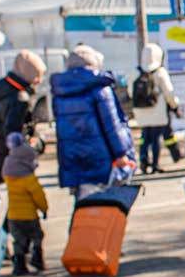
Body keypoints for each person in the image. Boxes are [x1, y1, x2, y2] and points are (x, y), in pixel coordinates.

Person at [53, 44, 135, 201]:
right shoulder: (100, 88)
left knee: (83, 208)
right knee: (104, 207)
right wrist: (121, 153)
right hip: (100, 156)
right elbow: (112, 126)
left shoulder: (60, 93)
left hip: (73, 158)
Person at [0, 50, 45, 181]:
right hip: (16, 161)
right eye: (38, 76)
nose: (40, 81)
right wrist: (33, 144)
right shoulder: (20, 99)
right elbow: (13, 134)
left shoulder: (3, 92)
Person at [131, 42, 183, 175]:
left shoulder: (135, 72)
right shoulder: (160, 72)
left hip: (141, 110)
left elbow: (131, 92)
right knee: (155, 138)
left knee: (144, 136)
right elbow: (168, 93)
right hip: (157, 110)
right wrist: (175, 106)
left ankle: (143, 159)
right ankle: (155, 164)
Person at [1, 131, 48, 275]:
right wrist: (44, 208)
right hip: (29, 216)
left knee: (18, 240)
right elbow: (39, 196)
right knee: (37, 236)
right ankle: (37, 257)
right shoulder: (29, 180)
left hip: (13, 216)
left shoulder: (10, 179)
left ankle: (19, 264)